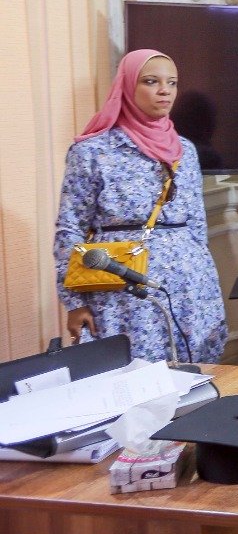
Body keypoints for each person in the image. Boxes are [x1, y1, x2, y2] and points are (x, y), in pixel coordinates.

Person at [56, 50, 227, 362]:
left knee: (193, 371)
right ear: (127, 86)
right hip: (121, 293)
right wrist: (74, 302)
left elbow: (197, 222)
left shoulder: (184, 150)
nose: (165, 91)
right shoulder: (92, 151)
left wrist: (205, 280)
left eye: (172, 83)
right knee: (131, 374)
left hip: (188, 286)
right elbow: (70, 227)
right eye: (151, 81)